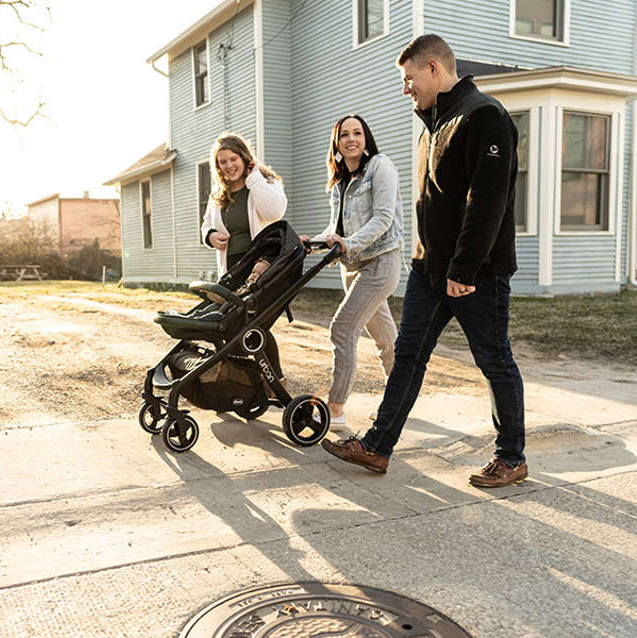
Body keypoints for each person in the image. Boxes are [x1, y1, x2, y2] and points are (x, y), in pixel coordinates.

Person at [321, 34, 528, 488]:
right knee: (408, 356)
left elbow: (487, 202)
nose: (405, 88)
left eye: (408, 77)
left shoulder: (484, 116)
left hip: (475, 274)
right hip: (427, 269)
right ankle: (377, 446)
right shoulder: (432, 124)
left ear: (433, 68)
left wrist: (463, 269)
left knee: (493, 361)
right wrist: (431, 262)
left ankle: (511, 456)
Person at [300, 114, 403, 429]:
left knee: (343, 329)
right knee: (386, 338)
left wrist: (349, 244)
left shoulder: (379, 167)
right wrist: (311, 242)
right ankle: (400, 398)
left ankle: (335, 409)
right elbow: (336, 228)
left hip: (381, 261)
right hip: (353, 266)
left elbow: (384, 217)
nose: (351, 139)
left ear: (366, 138)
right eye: (344, 134)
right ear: (337, 143)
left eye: (357, 133)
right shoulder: (340, 181)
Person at [201, 133, 287, 277]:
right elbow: (206, 225)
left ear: (244, 157)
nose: (229, 165)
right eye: (223, 162)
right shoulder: (218, 193)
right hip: (230, 267)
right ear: (218, 166)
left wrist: (253, 178)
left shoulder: (266, 182)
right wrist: (210, 236)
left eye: (233, 159)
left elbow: (275, 213)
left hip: (260, 264)